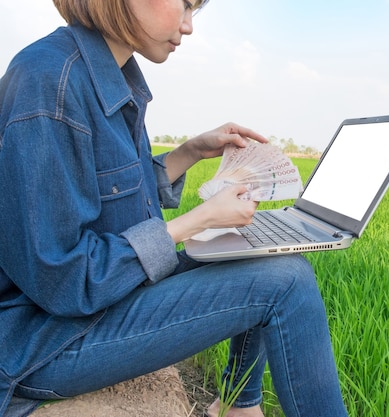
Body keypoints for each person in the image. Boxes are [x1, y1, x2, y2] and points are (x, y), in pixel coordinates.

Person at [0, 1, 350, 416]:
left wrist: (190, 152)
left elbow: (103, 188)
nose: (188, 26)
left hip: (104, 299)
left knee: (259, 253)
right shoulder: (49, 82)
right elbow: (63, 279)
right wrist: (198, 220)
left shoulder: (110, 73)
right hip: (45, 342)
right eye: (183, 4)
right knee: (287, 283)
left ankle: (239, 404)